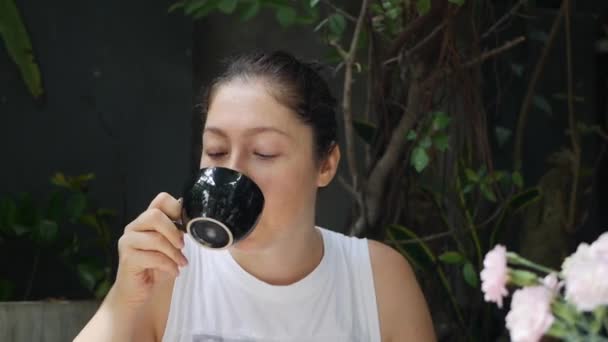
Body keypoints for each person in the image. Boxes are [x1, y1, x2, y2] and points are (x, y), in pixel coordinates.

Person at [75, 51, 435, 342]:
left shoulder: (376, 281)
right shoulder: (170, 271)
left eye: (263, 153)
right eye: (216, 151)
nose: (233, 171)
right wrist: (123, 299)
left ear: (325, 165)